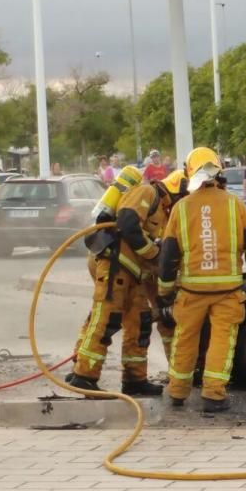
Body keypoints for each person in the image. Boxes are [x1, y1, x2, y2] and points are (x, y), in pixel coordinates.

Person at [67, 164, 191, 396]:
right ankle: (84, 375)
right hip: (116, 265)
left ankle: (135, 379)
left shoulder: (165, 214)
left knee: (140, 323)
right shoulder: (148, 193)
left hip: (135, 276)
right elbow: (127, 223)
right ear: (177, 190)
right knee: (107, 318)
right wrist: (154, 253)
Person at [157, 147, 246, 413]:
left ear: (189, 172)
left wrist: (165, 291)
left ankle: (178, 392)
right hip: (227, 291)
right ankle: (213, 396)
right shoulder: (235, 205)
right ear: (218, 171)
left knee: (184, 339)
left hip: (191, 291)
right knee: (221, 341)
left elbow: (169, 255)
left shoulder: (181, 208)